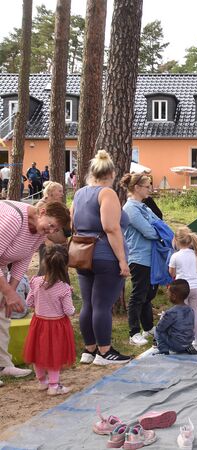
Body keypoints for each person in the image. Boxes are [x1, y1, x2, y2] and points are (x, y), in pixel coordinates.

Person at [0, 199, 70, 381]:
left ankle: (3, 365)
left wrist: (12, 291)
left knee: (2, 316)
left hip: (2, 268)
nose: (52, 231)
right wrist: (7, 292)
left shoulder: (39, 230)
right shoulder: (15, 219)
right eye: (52, 225)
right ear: (42, 211)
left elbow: (23, 260)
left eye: (56, 229)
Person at [73, 150, 131, 365]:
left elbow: (73, 223)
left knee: (88, 304)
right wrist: (122, 260)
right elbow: (111, 228)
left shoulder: (79, 193)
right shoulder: (107, 194)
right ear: (112, 173)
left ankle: (89, 350)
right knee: (102, 305)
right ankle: (105, 352)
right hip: (105, 256)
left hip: (82, 254)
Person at [22, 244, 75, 395]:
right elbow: (69, 311)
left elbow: (29, 303)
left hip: (38, 323)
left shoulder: (36, 282)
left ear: (45, 261)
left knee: (37, 354)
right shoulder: (64, 288)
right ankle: (54, 386)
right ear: (65, 265)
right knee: (54, 355)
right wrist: (74, 309)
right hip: (57, 326)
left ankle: (42, 382)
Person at [121, 173, 161, 347]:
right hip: (139, 257)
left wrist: (159, 229)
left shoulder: (144, 207)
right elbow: (150, 231)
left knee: (148, 294)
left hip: (151, 256)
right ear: (137, 188)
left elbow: (159, 222)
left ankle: (148, 327)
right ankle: (133, 332)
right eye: (147, 186)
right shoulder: (130, 208)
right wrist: (160, 231)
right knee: (138, 295)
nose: (149, 189)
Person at [169, 226, 197, 346]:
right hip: (195, 286)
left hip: (182, 288)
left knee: (182, 313)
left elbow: (172, 273)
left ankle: (184, 339)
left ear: (176, 240)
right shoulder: (196, 255)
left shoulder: (175, 256)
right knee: (195, 312)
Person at [154, 279, 196, 355]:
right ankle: (188, 347)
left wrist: (162, 318)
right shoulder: (190, 310)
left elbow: (160, 328)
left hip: (176, 345)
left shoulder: (171, 313)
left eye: (168, 293)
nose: (167, 294)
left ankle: (163, 350)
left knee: (157, 330)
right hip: (188, 342)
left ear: (173, 296)